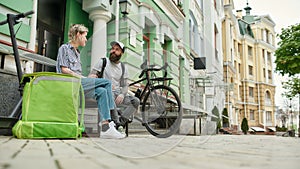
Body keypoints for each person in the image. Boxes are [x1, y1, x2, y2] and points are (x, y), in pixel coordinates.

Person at [56, 24, 125, 139]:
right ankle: (113, 119)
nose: (86, 39)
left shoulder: (77, 53)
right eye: (85, 36)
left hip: (79, 85)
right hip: (70, 84)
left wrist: (85, 78)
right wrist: (82, 78)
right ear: (78, 35)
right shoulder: (64, 48)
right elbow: (64, 70)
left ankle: (105, 127)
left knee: (102, 91)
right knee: (107, 83)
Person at [89, 41, 140, 129]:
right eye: (112, 49)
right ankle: (116, 122)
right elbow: (91, 77)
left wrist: (122, 94)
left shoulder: (123, 67)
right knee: (110, 94)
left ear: (121, 53)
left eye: (117, 50)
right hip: (104, 92)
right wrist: (102, 82)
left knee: (136, 101)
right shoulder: (103, 62)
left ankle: (121, 122)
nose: (113, 51)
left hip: (117, 93)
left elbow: (124, 86)